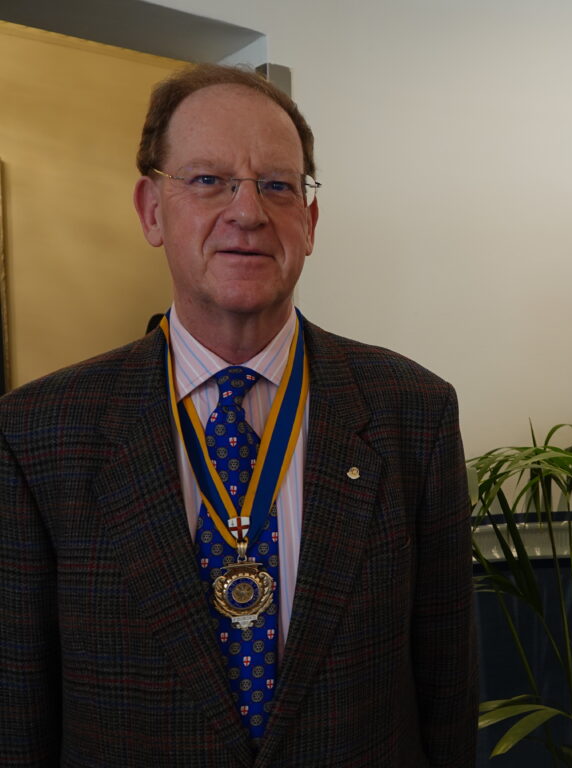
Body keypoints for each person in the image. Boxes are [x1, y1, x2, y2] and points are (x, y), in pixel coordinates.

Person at [0, 64, 477, 766]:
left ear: (309, 223)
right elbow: (21, 719)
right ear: (151, 211)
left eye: (277, 185)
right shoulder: (39, 434)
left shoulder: (413, 414)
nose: (248, 212)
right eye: (207, 180)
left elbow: (447, 693)